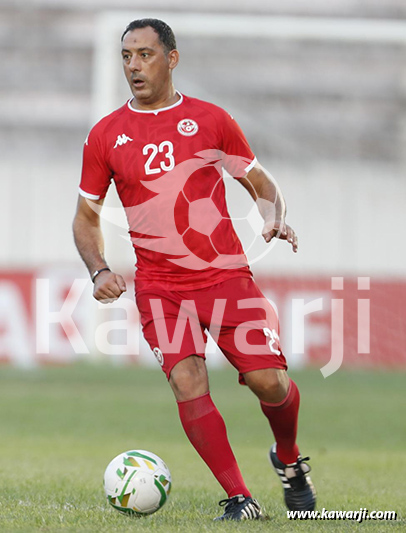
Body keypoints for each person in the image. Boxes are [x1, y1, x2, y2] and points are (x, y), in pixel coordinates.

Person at [73, 18, 316, 521]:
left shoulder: (211, 121)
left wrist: (273, 219)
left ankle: (289, 458)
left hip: (225, 279)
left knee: (269, 381)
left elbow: (261, 183)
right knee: (187, 380)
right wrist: (98, 270)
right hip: (160, 287)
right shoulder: (106, 135)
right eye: (127, 56)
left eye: (145, 54)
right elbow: (85, 219)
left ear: (172, 58)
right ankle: (240, 497)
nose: (134, 66)